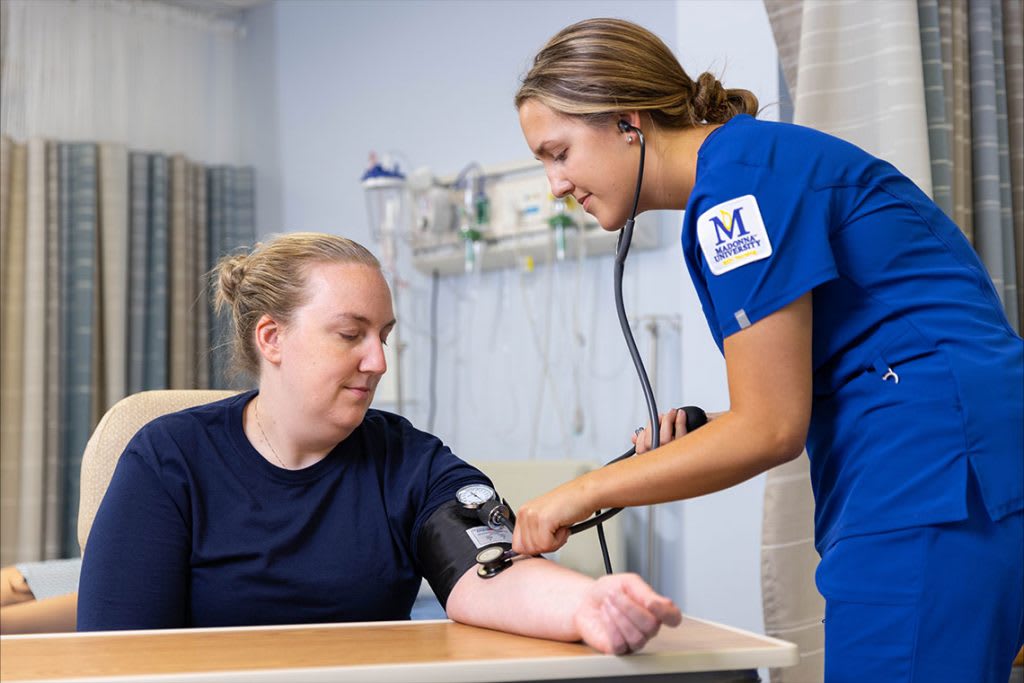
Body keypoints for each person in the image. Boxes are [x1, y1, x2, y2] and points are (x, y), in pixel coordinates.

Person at [511, 17, 1023, 682]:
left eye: (558, 152)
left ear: (626, 122)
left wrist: (578, 493)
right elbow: (808, 394)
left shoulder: (737, 192)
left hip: (932, 480)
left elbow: (772, 428)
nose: (555, 184)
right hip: (964, 462)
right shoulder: (747, 171)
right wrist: (701, 437)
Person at [76, 231, 680, 654]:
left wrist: (587, 604)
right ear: (272, 338)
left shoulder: (410, 462)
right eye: (350, 334)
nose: (378, 361)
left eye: (384, 335)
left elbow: (489, 569)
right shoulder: (168, 460)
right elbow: (119, 654)